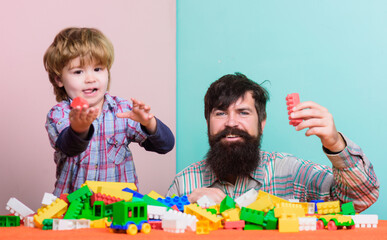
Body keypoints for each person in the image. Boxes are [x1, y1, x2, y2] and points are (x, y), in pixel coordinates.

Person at [167, 73, 379, 212]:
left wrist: (335, 144)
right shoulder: (184, 183)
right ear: (208, 122)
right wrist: (185, 205)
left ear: (262, 123)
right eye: (220, 113)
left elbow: (361, 198)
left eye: (243, 112)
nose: (231, 122)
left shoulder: (291, 171)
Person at [44, 27, 175, 197]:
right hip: (74, 212)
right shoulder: (59, 114)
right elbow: (70, 147)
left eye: (98, 69)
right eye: (78, 71)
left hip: (118, 209)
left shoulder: (123, 111)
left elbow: (166, 146)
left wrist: (149, 123)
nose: (91, 78)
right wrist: (79, 128)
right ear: (59, 79)